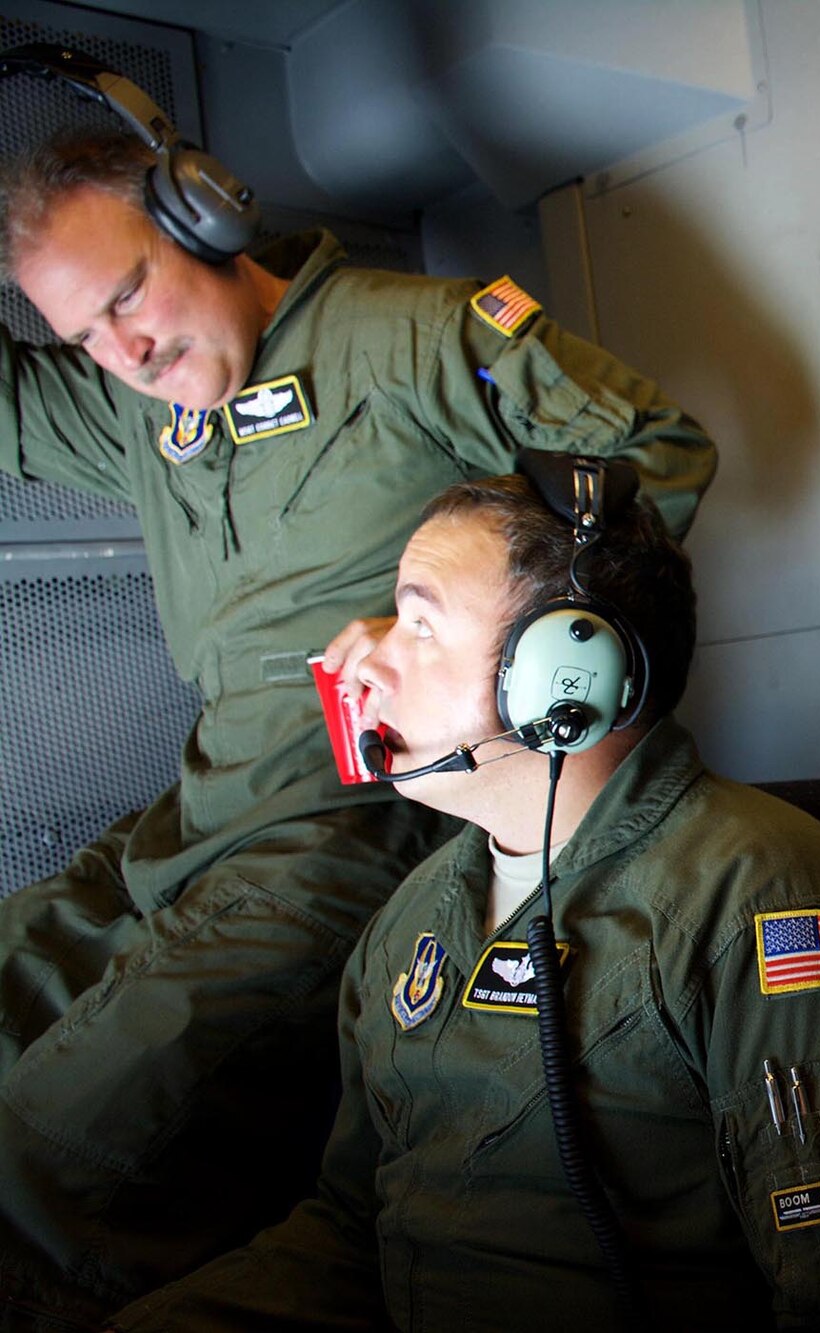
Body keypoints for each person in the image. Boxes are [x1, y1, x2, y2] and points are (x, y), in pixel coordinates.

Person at [0, 127, 715, 1329]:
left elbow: (656, 455)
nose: (124, 354)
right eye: (83, 337)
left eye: (128, 294)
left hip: (358, 831)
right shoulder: (140, 401)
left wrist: (458, 643)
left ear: (203, 220)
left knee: (46, 1156)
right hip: (191, 828)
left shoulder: (412, 336)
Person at [106, 463, 820, 1330]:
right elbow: (353, 1229)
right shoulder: (409, 925)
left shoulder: (767, 912)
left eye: (419, 624)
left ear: (562, 677)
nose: (366, 662)